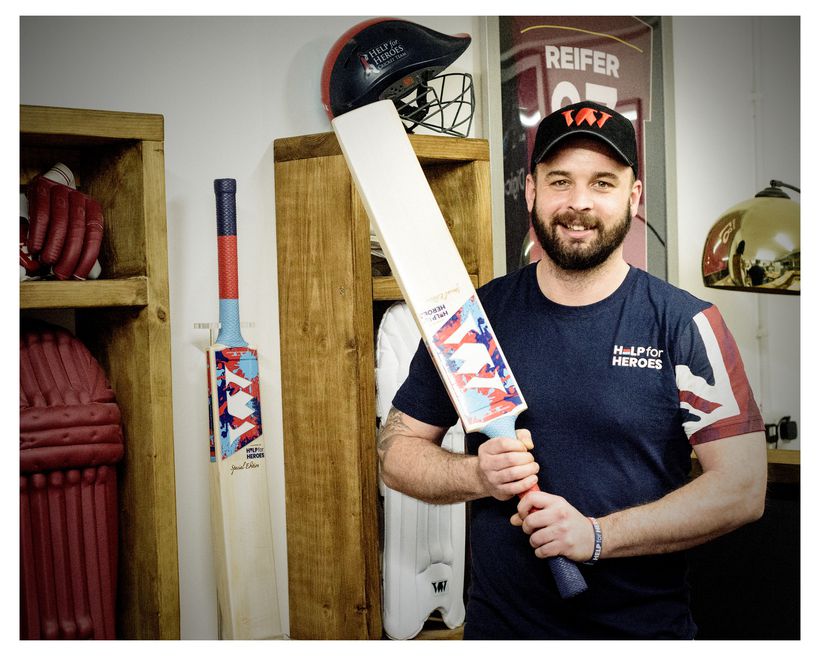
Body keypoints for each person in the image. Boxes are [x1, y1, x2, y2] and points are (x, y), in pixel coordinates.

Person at [378, 100, 767, 639]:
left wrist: (597, 536)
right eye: (560, 181)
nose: (578, 203)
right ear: (532, 191)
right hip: (502, 633)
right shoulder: (474, 323)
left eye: (602, 183)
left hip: (643, 635)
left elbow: (742, 488)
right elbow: (396, 453)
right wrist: (477, 475)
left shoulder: (686, 324)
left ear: (633, 196)